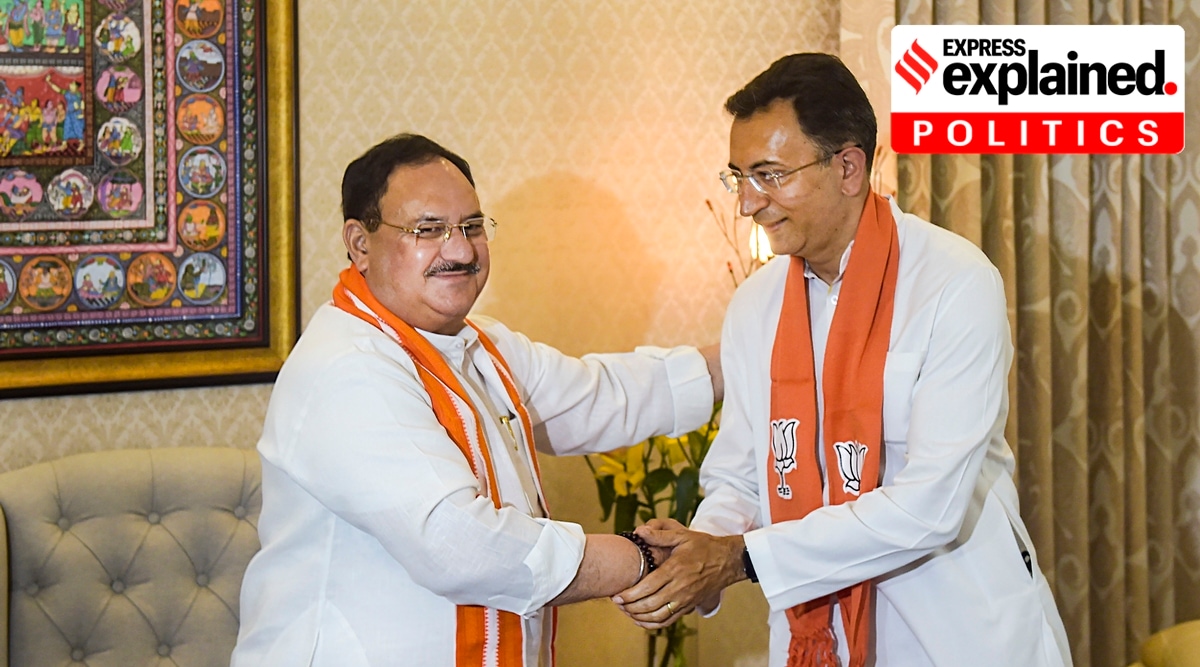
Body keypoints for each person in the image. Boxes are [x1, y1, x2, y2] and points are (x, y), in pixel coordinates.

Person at [613, 53, 1072, 667]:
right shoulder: (757, 305)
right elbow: (741, 474)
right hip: (814, 632)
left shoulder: (953, 282)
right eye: (738, 177)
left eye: (769, 175)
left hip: (956, 632)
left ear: (849, 167)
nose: (747, 203)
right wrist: (698, 547)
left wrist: (739, 558)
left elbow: (930, 507)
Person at [231, 133, 722, 666]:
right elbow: (458, 543)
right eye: (428, 230)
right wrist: (643, 560)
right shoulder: (347, 366)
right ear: (360, 243)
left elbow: (601, 397)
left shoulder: (478, 345)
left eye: (470, 227)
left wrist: (756, 351)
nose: (461, 250)